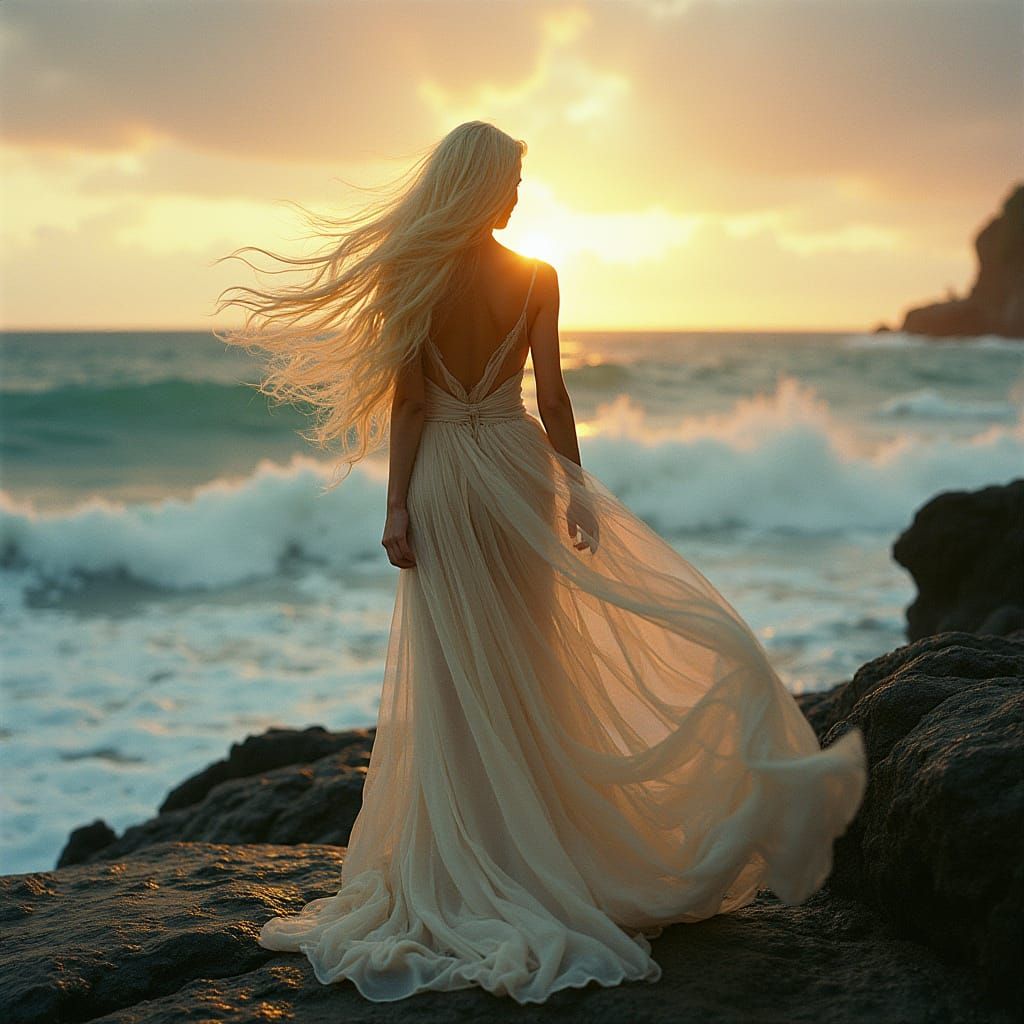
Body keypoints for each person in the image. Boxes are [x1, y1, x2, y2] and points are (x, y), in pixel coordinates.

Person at [212, 120, 867, 1005]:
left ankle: (476, 859)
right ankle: (545, 855)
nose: (519, 197)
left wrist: (396, 505)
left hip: (446, 478)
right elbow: (553, 396)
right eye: (513, 182)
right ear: (486, 188)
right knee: (532, 659)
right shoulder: (537, 277)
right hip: (516, 471)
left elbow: (409, 405)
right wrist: (579, 493)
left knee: (460, 674)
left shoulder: (415, 273)